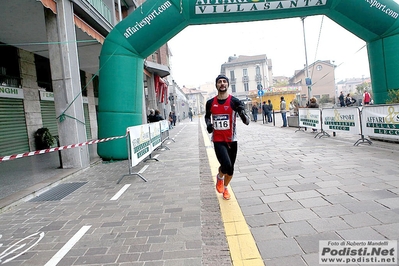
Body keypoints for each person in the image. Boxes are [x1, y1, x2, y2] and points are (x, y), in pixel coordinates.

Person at [204, 74, 250, 200]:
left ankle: (225, 188)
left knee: (230, 170)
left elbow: (247, 121)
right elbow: (207, 116)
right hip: (218, 140)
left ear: (228, 85)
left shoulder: (234, 101)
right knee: (226, 164)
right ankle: (219, 177)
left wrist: (241, 111)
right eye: (220, 82)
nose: (222, 83)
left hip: (232, 140)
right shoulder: (210, 103)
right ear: (216, 85)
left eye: (224, 81)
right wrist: (208, 124)